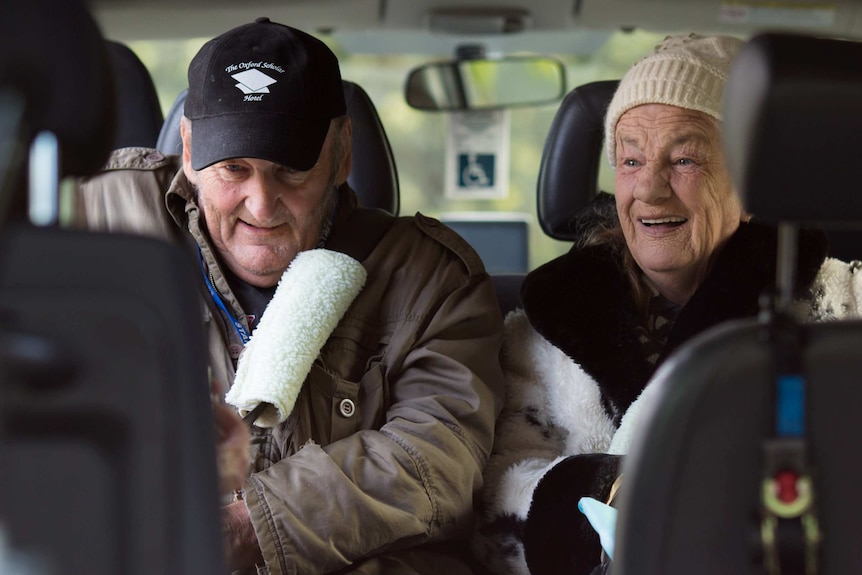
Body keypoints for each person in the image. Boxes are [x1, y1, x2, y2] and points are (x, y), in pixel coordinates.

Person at [74, 17, 505, 575]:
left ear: (342, 153)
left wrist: (250, 527)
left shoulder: (430, 278)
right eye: (234, 169)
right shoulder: (90, 220)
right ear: (188, 147)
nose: (260, 204)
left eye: (290, 171)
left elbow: (438, 458)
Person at [471, 33, 862, 575]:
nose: (649, 190)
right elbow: (496, 498)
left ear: (748, 186)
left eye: (684, 158)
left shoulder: (844, 306)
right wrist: (604, 497)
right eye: (630, 160)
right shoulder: (540, 334)